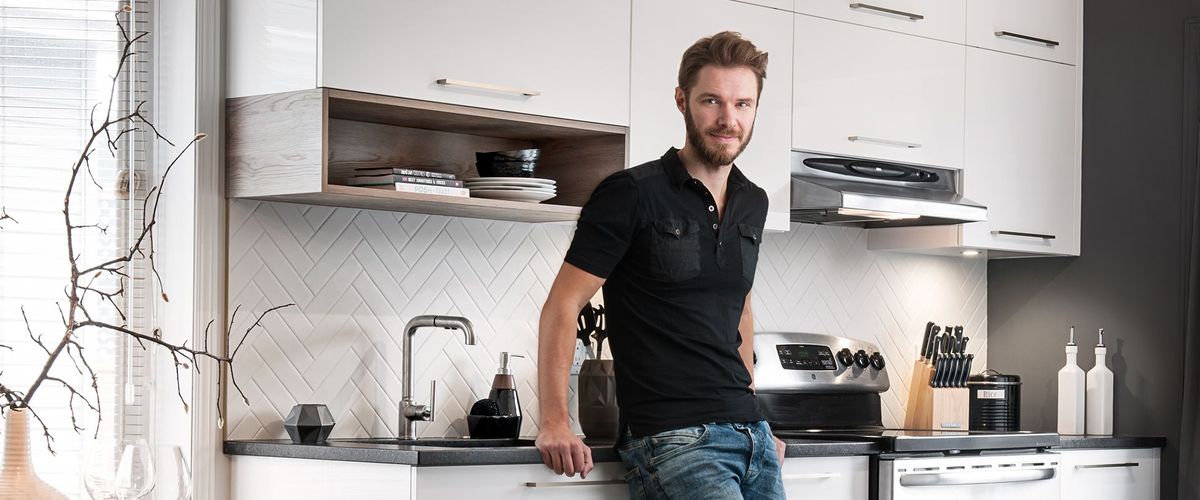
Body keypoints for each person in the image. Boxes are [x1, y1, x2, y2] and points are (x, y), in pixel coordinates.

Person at [534, 31, 786, 499]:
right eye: (712, 101)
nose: (728, 119)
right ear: (681, 100)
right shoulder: (630, 193)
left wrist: (753, 416)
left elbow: (741, 310)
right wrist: (554, 421)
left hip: (753, 437)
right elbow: (563, 305)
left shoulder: (754, 201)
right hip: (674, 439)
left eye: (742, 104)